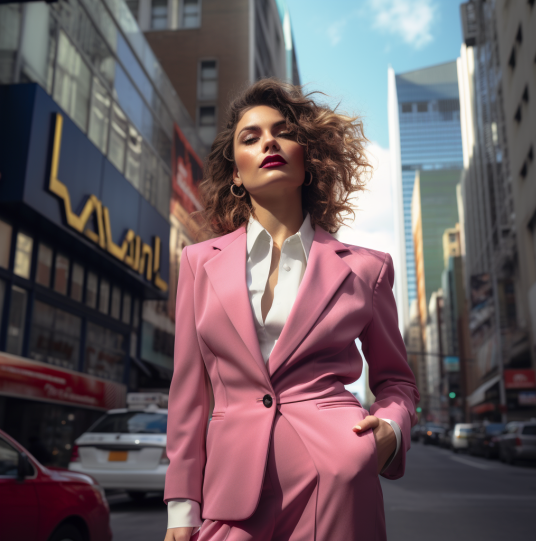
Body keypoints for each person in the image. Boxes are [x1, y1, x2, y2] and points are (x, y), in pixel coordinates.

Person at [163, 79, 419, 541]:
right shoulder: (198, 263)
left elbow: (396, 380)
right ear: (236, 173)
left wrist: (390, 431)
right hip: (230, 491)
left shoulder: (366, 269)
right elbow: (188, 396)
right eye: (250, 136)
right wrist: (181, 508)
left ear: (309, 161)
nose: (268, 142)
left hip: (338, 480)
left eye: (283, 132)